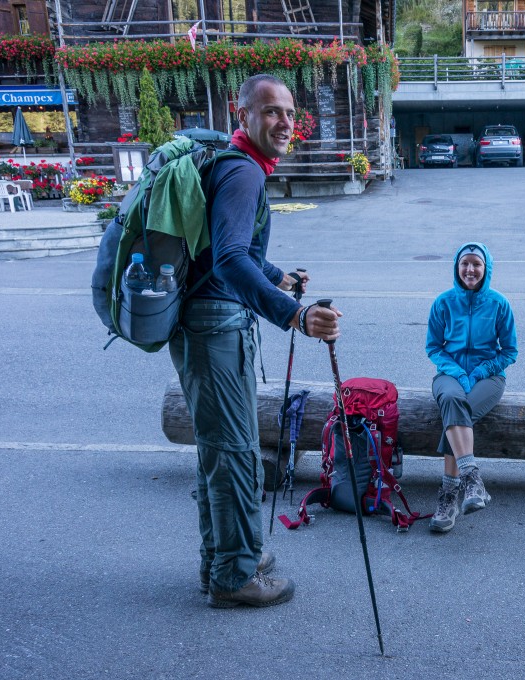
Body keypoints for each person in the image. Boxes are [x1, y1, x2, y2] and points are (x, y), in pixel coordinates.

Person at [170, 74, 342, 607]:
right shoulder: (243, 172)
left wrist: (276, 276)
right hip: (215, 328)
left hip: (209, 325)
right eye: (271, 111)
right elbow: (227, 259)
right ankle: (234, 577)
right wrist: (293, 313)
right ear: (240, 113)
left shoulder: (232, 163)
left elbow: (228, 249)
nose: (285, 122)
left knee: (220, 452)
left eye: (290, 112)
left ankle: (225, 557)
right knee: (236, 453)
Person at [425, 242, 518, 533]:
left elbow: (509, 351)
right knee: (452, 397)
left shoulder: (499, 304)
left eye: (476, 264)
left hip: (489, 378)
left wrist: (480, 371)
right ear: (457, 266)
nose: (470, 269)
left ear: (486, 268)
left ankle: (449, 494)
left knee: (456, 411)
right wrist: (456, 372)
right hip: (449, 374)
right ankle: (471, 477)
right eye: (464, 263)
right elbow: (434, 347)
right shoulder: (443, 303)